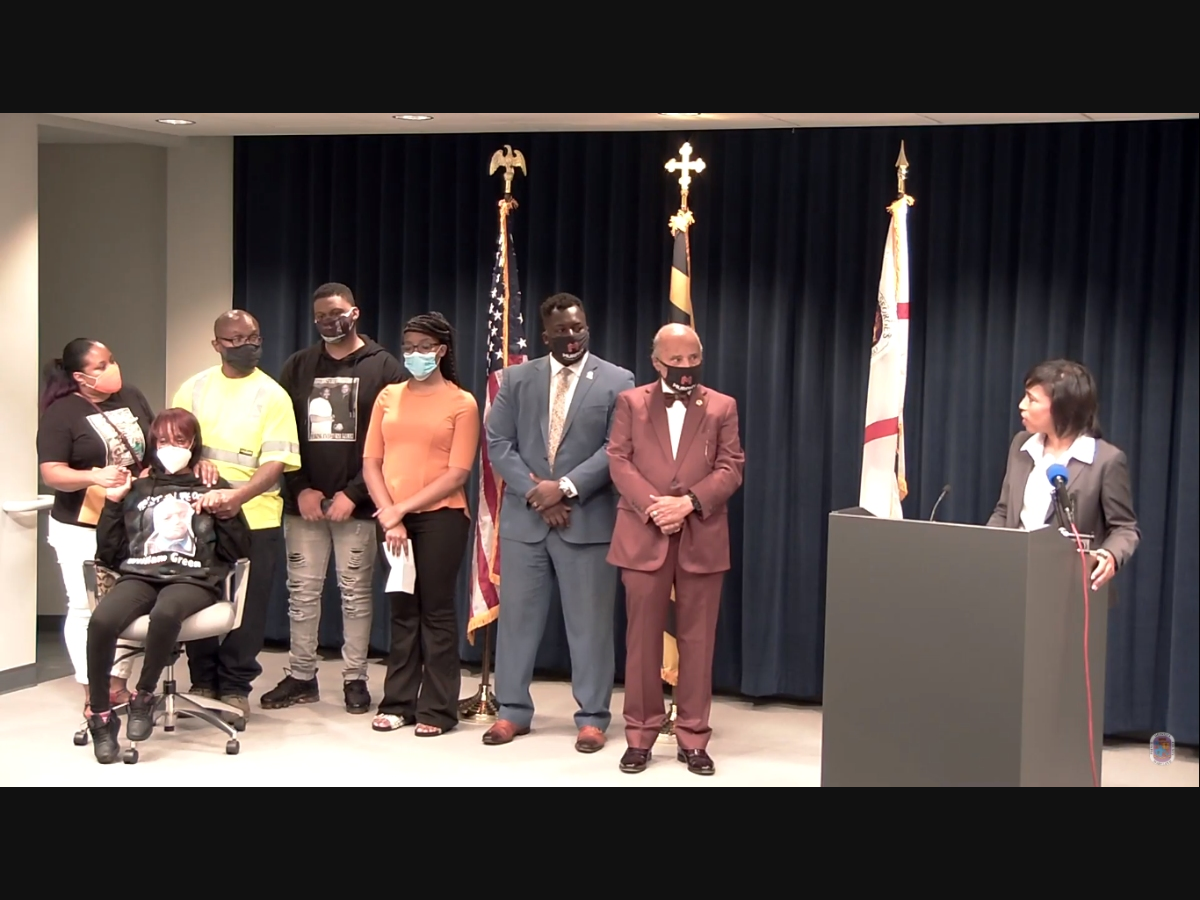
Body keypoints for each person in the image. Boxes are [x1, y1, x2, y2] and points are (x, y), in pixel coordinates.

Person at [482, 293, 635, 752]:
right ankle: (511, 711)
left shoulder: (616, 379)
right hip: (526, 521)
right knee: (517, 624)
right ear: (545, 335)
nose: (572, 337)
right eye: (562, 331)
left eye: (579, 327)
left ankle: (592, 718)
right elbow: (499, 443)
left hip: (585, 521)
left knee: (590, 626)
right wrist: (540, 494)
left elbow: (615, 448)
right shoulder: (514, 379)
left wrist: (564, 487)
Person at [36, 339, 216, 718]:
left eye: (112, 359)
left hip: (132, 519)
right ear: (81, 377)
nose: (112, 368)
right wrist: (93, 476)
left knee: (125, 602)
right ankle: (93, 689)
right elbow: (51, 472)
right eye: (102, 365)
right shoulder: (61, 413)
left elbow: (156, 446)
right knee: (86, 606)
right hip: (81, 524)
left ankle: (119, 684)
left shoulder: (129, 397)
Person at [607, 324, 745, 777]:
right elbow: (619, 461)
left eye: (692, 359)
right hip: (642, 535)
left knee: (698, 643)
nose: (685, 368)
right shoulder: (631, 402)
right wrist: (655, 507)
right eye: (676, 360)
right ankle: (640, 736)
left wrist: (688, 503)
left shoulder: (722, 405)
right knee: (641, 642)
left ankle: (693, 737)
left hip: (701, 534)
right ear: (656, 361)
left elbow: (731, 468)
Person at [262, 283, 405, 715]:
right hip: (304, 504)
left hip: (357, 506)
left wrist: (354, 493)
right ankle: (302, 675)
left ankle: (355, 678)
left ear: (355, 312)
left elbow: (392, 442)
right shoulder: (298, 366)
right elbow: (281, 433)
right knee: (302, 593)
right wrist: (300, 486)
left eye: (337, 312)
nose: (330, 320)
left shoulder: (385, 368)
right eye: (321, 315)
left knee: (355, 594)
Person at [85, 409, 251, 764]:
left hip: (193, 579)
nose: (170, 447)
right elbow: (109, 552)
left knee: (166, 612)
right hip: (141, 575)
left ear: (194, 444)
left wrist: (226, 510)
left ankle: (144, 695)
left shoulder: (212, 485)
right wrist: (114, 504)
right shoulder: (139, 488)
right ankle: (100, 715)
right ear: (153, 444)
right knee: (101, 621)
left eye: (179, 440)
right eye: (163, 441)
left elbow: (238, 551)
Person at [171, 311, 301, 723]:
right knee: (198, 599)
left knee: (246, 607)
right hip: (199, 518)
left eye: (255, 336)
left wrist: (239, 495)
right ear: (217, 345)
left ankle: (234, 686)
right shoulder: (193, 389)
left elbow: (277, 460)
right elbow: (173, 444)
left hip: (255, 517)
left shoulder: (273, 394)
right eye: (237, 339)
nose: (249, 345)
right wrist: (195, 466)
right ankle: (202, 682)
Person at [362, 313, 479, 738]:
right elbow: (371, 461)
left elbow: (456, 473)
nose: (414, 354)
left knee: (436, 611)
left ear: (441, 351)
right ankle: (397, 704)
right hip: (390, 518)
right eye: (409, 346)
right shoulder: (388, 396)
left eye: (424, 347)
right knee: (402, 610)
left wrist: (401, 510)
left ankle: (437, 708)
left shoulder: (461, 402)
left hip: (441, 518)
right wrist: (389, 512)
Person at [987, 359, 1140, 600]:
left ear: (1062, 408)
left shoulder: (1105, 461)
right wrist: (988, 550)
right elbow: (1005, 511)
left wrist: (1109, 555)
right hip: (1012, 582)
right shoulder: (1021, 445)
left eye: (1032, 399)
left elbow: (1124, 528)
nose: (1021, 405)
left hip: (1070, 593)